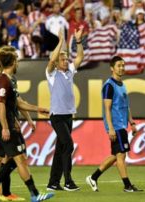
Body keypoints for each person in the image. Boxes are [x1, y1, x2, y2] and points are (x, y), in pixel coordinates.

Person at [0, 46, 54, 202]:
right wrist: (6, 127)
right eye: (16, 60)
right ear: (12, 62)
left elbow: (19, 103)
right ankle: (35, 194)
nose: (18, 63)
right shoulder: (3, 81)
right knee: (20, 160)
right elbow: (1, 106)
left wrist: (38, 109)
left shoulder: (7, 80)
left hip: (1, 124)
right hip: (3, 124)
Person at [85, 56, 143, 193]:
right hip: (115, 125)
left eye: (123, 65)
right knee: (121, 155)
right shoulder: (109, 85)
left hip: (122, 124)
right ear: (112, 68)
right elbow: (107, 108)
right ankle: (127, 186)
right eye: (119, 65)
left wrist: (132, 122)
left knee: (116, 155)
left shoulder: (122, 85)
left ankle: (93, 178)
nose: (122, 68)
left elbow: (126, 106)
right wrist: (110, 127)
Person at [45, 27, 83, 191]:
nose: (66, 61)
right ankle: (68, 181)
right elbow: (52, 61)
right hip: (57, 116)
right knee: (68, 145)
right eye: (63, 59)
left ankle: (53, 182)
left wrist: (78, 41)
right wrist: (61, 41)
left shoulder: (69, 73)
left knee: (60, 149)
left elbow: (80, 57)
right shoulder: (52, 74)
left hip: (68, 116)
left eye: (67, 59)